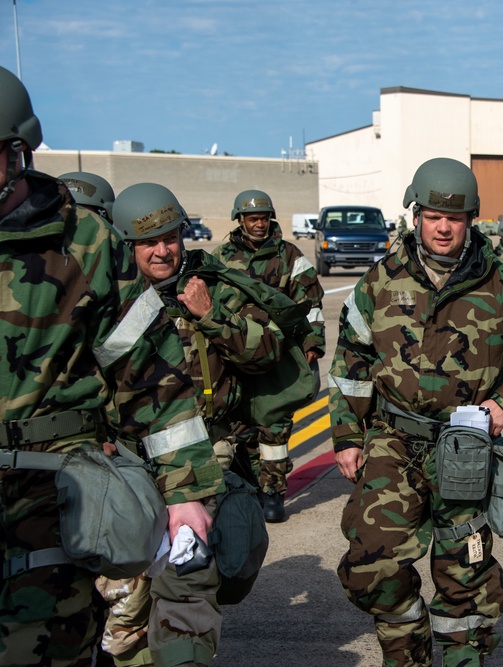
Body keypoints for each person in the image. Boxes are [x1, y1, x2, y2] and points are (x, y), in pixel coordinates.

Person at [0, 65, 223, 667]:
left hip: (52, 493)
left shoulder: (85, 246)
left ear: (18, 150)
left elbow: (149, 371)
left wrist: (186, 491)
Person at [330, 158, 503, 666]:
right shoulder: (380, 281)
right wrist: (348, 434)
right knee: (371, 565)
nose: (443, 227)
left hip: (466, 448)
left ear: (471, 220)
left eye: (455, 218)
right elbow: (352, 355)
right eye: (434, 215)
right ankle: (407, 647)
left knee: (466, 574)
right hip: (393, 442)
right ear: (416, 215)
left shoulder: (502, 282)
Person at [100, 183, 285, 667]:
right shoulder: (105, 303)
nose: (163, 250)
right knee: (125, 614)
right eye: (148, 242)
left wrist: (212, 315)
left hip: (204, 459)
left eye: (171, 236)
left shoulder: (215, 285)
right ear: (126, 245)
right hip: (129, 464)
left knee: (191, 584)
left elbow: (267, 351)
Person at [213, 190, 326, 522]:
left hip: (278, 355)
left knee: (275, 425)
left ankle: (273, 493)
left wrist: (312, 344)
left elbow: (312, 304)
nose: (259, 224)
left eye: (263, 218)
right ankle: (247, 486)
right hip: (235, 356)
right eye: (252, 219)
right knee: (239, 425)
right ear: (240, 220)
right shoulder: (221, 257)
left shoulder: (289, 256)